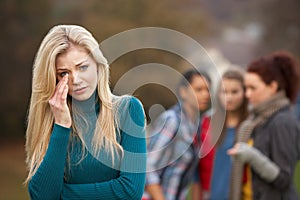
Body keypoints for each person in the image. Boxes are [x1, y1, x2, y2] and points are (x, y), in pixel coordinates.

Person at [25, 24, 147, 199]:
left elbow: (130, 191)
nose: (76, 80)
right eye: (64, 73)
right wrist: (62, 125)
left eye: (82, 67)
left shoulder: (128, 109)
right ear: (54, 77)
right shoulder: (51, 119)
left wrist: (61, 196)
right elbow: (42, 195)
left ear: (98, 65)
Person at [228, 51, 300, 200]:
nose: (247, 94)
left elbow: (283, 179)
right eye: (246, 88)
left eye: (253, 88)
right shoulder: (253, 122)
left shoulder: (283, 121)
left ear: (272, 87)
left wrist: (252, 156)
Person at [143, 69, 211, 200]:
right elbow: (147, 166)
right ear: (183, 92)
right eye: (199, 89)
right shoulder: (172, 120)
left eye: (208, 90)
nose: (205, 95)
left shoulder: (196, 125)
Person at [192, 68, 248, 200]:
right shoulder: (206, 122)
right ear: (218, 94)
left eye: (234, 92)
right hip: (209, 194)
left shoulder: (251, 125)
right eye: (224, 92)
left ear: (244, 93)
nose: (229, 97)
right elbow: (196, 170)